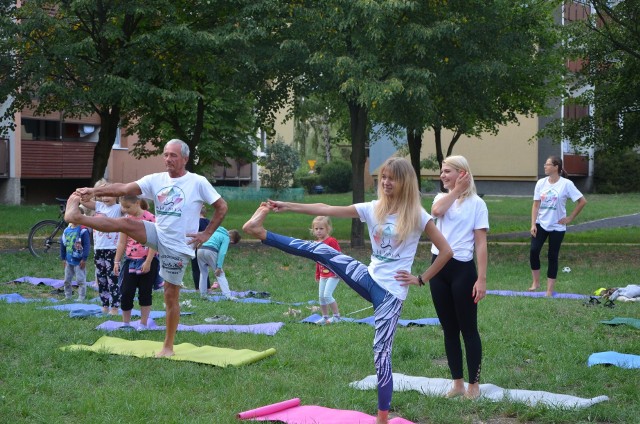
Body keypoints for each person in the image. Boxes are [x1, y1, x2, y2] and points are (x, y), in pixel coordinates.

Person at [242, 157, 453, 424]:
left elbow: (446, 251)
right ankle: (261, 233)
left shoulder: (418, 216)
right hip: (368, 277)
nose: (386, 183)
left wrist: (421, 279)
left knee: (381, 353)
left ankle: (382, 418)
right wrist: (288, 206)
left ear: (405, 183)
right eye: (383, 177)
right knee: (322, 250)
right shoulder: (373, 208)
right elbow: (326, 208)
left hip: (390, 295)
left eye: (392, 178)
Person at [65, 139, 228, 357]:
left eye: (174, 155)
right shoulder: (156, 179)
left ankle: (168, 347)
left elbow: (222, 207)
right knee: (125, 222)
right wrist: (92, 191)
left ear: (185, 159)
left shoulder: (197, 182)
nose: (168, 159)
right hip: (157, 231)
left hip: (178, 246)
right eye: (166, 154)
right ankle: (76, 217)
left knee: (170, 295)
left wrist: (206, 234)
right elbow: (123, 188)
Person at [429, 155, 488, 400]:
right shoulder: (441, 198)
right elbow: (436, 211)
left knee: (468, 329)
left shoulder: (477, 204)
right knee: (449, 329)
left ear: (462, 173)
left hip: (463, 271)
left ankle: (474, 385)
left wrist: (482, 278)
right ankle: (457, 383)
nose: (442, 175)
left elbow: (481, 243)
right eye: (442, 171)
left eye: (448, 171)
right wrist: (455, 191)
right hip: (438, 269)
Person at [528, 155, 587, 296]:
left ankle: (549, 290)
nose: (544, 166)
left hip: (557, 226)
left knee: (552, 256)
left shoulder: (566, 184)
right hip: (541, 223)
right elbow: (536, 205)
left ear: (556, 167)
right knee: (533, 251)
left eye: (547, 164)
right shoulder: (541, 183)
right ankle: (536, 282)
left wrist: (570, 218)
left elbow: (582, 201)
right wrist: (533, 224)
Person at [114, 195, 159, 328]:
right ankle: (125, 323)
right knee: (126, 292)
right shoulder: (126, 221)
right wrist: (116, 261)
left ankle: (143, 324)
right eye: (123, 207)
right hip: (130, 261)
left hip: (147, 260)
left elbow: (154, 242)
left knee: (145, 292)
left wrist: (149, 261)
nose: (125, 210)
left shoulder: (150, 218)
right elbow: (122, 242)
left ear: (138, 203)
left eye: (128, 207)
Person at [81, 178, 122, 315]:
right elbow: (84, 201)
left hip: (112, 249)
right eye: (103, 194)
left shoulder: (118, 209)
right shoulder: (99, 206)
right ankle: (105, 304)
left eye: (109, 194)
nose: (105, 197)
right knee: (101, 279)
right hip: (99, 249)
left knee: (113, 279)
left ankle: (115, 307)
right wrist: (93, 192)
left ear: (116, 195)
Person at [311, 216, 342, 324]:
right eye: (316, 229)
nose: (318, 231)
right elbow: (318, 260)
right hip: (323, 274)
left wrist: (337, 271)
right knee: (321, 297)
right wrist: (317, 274)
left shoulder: (331, 241)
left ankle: (336, 317)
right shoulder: (316, 243)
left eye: (321, 228)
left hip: (333, 273)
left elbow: (338, 257)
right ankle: (325, 317)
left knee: (327, 295)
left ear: (327, 229)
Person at [197, 227, 241, 300]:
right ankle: (228, 296)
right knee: (220, 274)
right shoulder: (226, 237)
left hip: (201, 249)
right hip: (211, 251)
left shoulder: (214, 231)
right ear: (232, 240)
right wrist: (219, 267)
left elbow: (204, 237)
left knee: (203, 273)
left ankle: (203, 295)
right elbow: (222, 252)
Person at [59, 221, 91, 301]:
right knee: (67, 280)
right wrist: (63, 258)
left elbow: (87, 245)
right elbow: (63, 244)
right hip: (68, 260)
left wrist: (84, 259)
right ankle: (68, 296)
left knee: (80, 280)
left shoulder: (83, 230)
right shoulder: (66, 231)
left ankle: (81, 297)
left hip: (79, 261)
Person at [192, 204, 212, 292]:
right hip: (207, 248)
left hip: (196, 247)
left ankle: (198, 287)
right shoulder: (209, 222)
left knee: (196, 268)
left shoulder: (194, 222)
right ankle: (207, 287)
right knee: (204, 269)